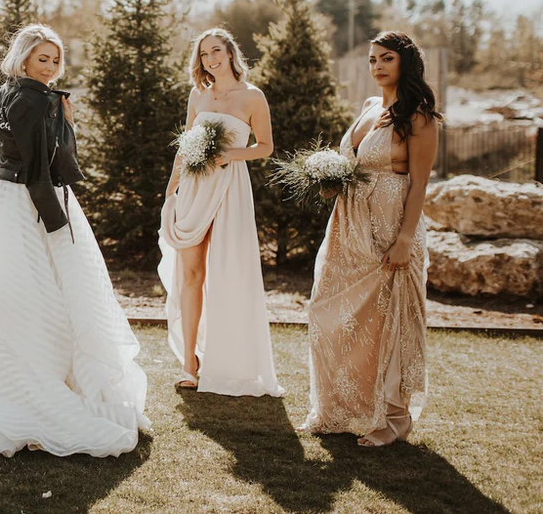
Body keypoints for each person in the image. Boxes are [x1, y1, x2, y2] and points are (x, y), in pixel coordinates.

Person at [0, 23, 150, 457]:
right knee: (52, 292)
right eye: (42, 58)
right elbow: (52, 165)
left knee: (1, 291)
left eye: (55, 59)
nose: (50, 66)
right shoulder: (43, 100)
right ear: (24, 58)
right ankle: (42, 383)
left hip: (2, 201)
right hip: (35, 201)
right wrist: (58, 222)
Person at [300, 31, 440, 447]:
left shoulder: (419, 117)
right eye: (372, 59)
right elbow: (355, 163)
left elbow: (419, 185)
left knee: (385, 320)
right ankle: (336, 410)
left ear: (405, 63)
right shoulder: (367, 107)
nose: (377, 66)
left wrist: (404, 239)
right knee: (328, 310)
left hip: (390, 224)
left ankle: (392, 419)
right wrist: (330, 180)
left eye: (387, 58)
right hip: (348, 227)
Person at [159, 28, 284, 396]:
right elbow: (184, 146)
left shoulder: (252, 96)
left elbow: (265, 147)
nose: (210, 58)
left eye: (216, 50)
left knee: (228, 271)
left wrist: (229, 154)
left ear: (231, 53)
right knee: (191, 272)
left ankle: (228, 360)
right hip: (195, 189)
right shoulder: (198, 94)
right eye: (203, 54)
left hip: (230, 188)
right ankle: (189, 363)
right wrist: (172, 190)